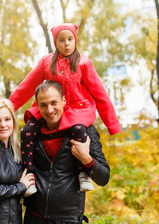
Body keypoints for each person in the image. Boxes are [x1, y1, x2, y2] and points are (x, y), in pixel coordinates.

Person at [9, 23, 121, 195]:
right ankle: (29, 174)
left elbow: (100, 94)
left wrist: (112, 125)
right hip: (51, 108)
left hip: (77, 110)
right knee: (27, 130)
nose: (67, 44)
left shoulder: (84, 63)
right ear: (55, 43)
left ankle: (83, 173)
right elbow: (27, 85)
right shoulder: (47, 63)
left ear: (75, 40)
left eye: (70, 39)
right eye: (62, 40)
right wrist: (7, 107)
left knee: (79, 129)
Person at [22, 80, 111, 223]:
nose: (49, 110)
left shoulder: (85, 131)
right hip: (34, 216)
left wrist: (86, 159)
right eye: (43, 105)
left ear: (63, 100)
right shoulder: (31, 133)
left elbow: (104, 178)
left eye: (54, 103)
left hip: (68, 218)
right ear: (37, 105)